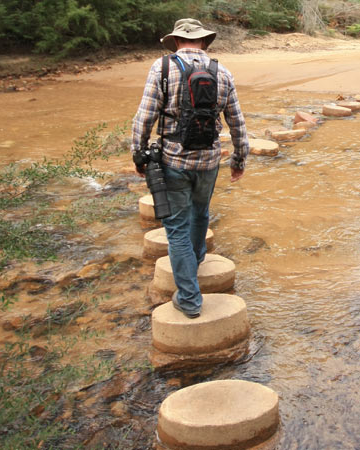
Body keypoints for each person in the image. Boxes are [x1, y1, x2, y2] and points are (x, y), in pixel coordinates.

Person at [131, 18, 249, 318]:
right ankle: (195, 259)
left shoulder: (163, 68)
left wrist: (139, 154)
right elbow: (236, 122)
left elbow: (144, 117)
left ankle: (189, 299)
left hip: (173, 159)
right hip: (209, 161)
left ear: (176, 42)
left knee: (176, 228)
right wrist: (238, 160)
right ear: (203, 42)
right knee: (201, 213)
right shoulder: (222, 72)